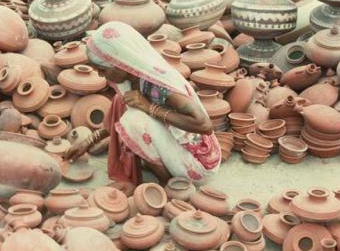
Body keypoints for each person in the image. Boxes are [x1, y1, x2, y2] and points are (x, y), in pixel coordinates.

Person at [63, 21, 221, 186]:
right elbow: (118, 116)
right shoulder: (131, 79)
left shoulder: (158, 85)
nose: (100, 75)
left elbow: (205, 125)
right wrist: (87, 142)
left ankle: (169, 185)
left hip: (198, 163)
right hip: (178, 147)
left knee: (133, 120)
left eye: (102, 69)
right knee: (124, 101)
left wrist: (149, 107)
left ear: (120, 63)